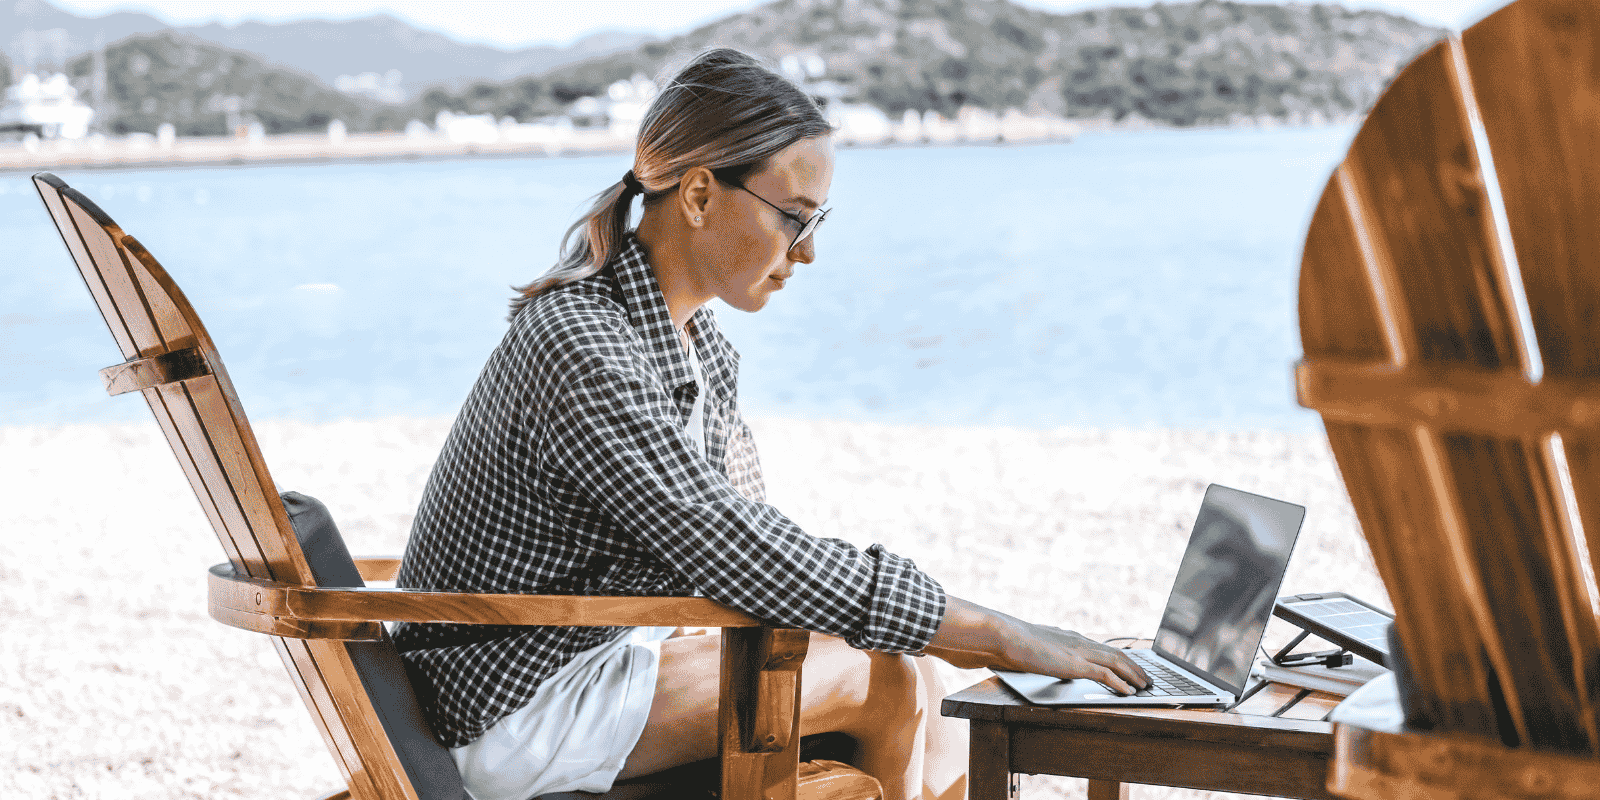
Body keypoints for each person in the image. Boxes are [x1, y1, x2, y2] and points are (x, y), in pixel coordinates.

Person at [393, 48, 1150, 800]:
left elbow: (756, 546)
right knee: (882, 672)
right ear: (697, 195)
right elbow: (735, 544)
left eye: (818, 220)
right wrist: (1000, 632)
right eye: (794, 217)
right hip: (507, 703)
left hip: (596, 652)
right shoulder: (582, 344)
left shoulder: (697, 349)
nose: (809, 251)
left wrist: (947, 630)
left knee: (912, 662)